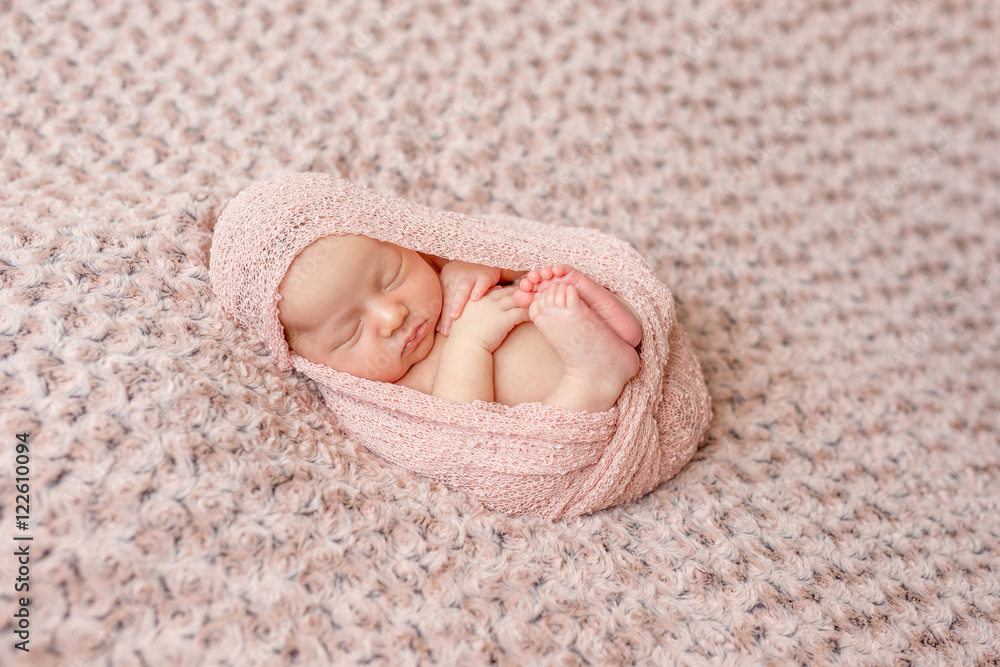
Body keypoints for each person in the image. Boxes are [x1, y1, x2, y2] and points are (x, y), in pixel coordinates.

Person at [275, 233, 643, 412]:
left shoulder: (443, 278)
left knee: (548, 282)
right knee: (550, 427)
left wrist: (479, 262)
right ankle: (596, 376)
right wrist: (470, 341)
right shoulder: (399, 388)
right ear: (317, 367)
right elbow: (464, 433)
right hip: (572, 401)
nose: (393, 315)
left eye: (391, 278)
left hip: (577, 328)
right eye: (351, 331)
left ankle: (617, 320)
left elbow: (515, 250)